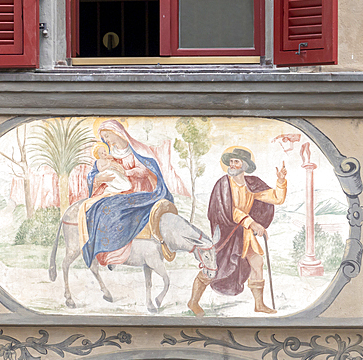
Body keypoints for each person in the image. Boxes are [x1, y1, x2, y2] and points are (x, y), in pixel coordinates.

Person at [188, 146, 287, 316]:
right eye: (231, 161)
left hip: (245, 234)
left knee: (257, 263)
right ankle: (193, 302)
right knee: (213, 267)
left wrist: (281, 181)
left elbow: (276, 198)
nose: (232, 165)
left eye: (236, 162)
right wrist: (252, 223)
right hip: (227, 234)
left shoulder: (252, 184)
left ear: (245, 165)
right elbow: (227, 210)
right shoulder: (223, 184)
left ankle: (259, 304)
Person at [80, 120, 172, 268]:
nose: (106, 141)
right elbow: (93, 174)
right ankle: (110, 252)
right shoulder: (108, 154)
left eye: (107, 136)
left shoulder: (136, 150)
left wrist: (126, 172)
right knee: (102, 208)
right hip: (118, 190)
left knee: (118, 209)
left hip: (139, 190)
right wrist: (99, 178)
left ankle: (119, 252)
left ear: (116, 132)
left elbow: (144, 170)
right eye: (104, 138)